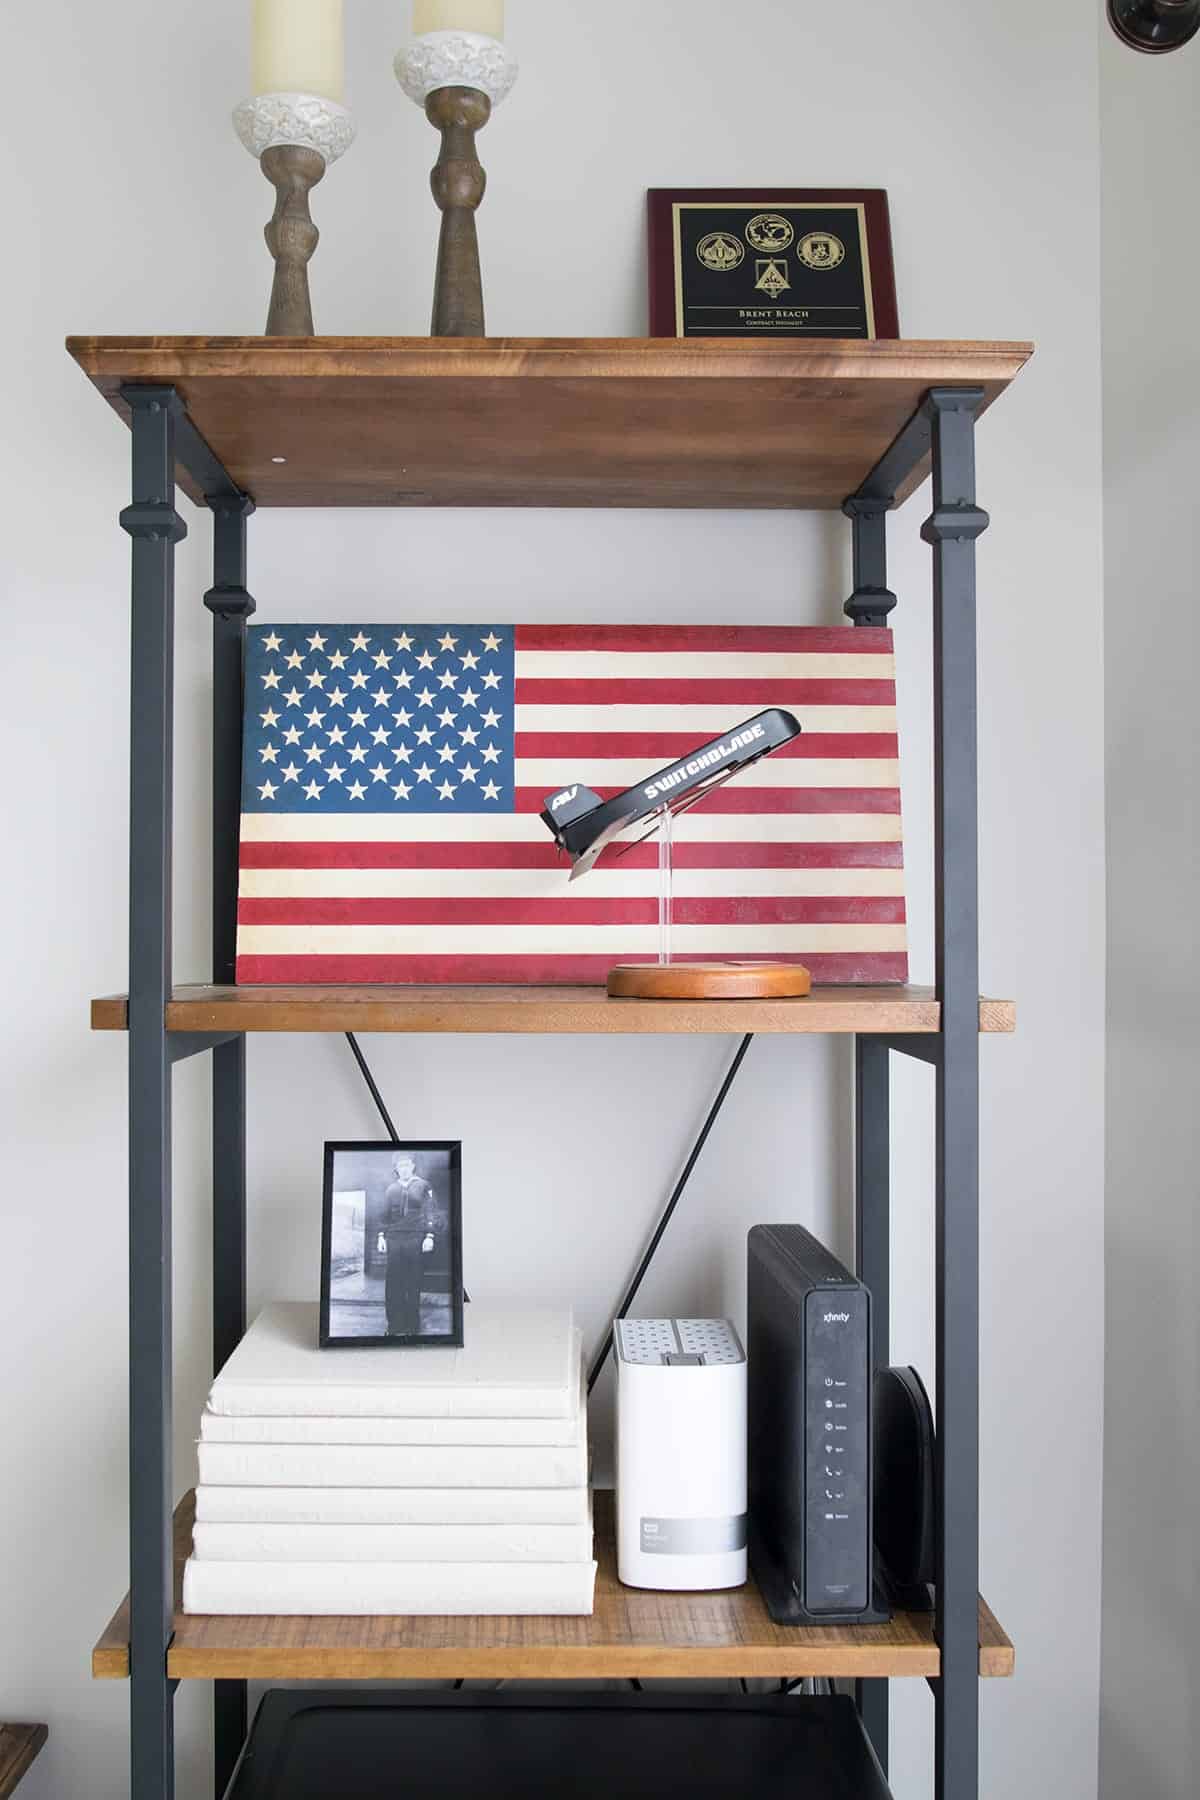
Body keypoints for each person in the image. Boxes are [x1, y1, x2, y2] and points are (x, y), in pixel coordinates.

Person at [377, 1154, 441, 1337]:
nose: (404, 1168)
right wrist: (381, 1236)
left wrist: (429, 1236)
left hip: (415, 1237)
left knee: (412, 1282)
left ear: (413, 1166)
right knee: (393, 1283)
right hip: (394, 1239)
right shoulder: (391, 1189)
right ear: (396, 1169)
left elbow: (431, 1211)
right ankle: (394, 1325)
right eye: (400, 1165)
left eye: (407, 1164)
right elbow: (384, 1215)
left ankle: (412, 1327)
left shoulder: (423, 1185)